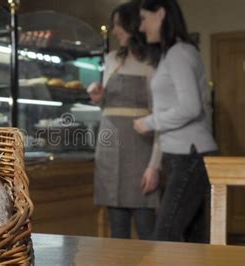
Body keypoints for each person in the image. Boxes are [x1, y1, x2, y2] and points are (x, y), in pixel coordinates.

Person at [134, 0, 218, 243]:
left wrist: (149, 122)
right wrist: (156, 163)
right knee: (194, 239)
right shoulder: (172, 54)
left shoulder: (179, 53)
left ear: (160, 13)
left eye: (143, 18)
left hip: (190, 155)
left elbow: (190, 107)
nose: (141, 27)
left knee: (165, 234)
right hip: (182, 155)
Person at [88, 1, 160, 240]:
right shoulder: (110, 59)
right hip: (109, 146)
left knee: (146, 224)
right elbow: (107, 105)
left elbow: (159, 115)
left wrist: (155, 164)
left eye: (118, 25)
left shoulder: (152, 61)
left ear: (133, 25)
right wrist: (98, 98)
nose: (114, 30)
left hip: (140, 147)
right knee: (116, 226)